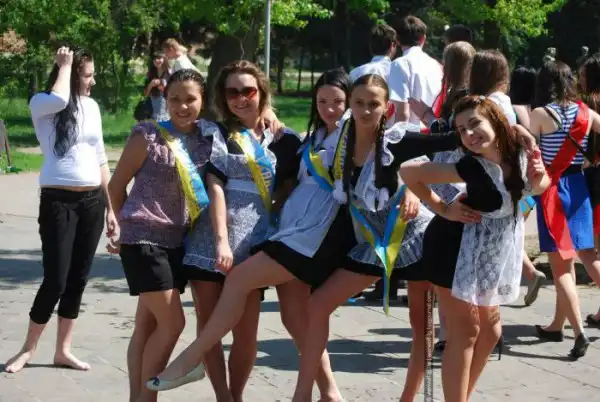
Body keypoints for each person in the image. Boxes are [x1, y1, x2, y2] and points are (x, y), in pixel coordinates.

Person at [401, 96, 550, 401]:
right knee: (466, 332)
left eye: (474, 124)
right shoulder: (470, 165)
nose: (469, 134)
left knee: (491, 332)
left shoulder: (519, 149)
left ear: (495, 120)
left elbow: (540, 185)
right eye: (461, 130)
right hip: (452, 247)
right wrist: (443, 209)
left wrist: (538, 178)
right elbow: (408, 172)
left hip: (489, 251)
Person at [181, 60, 311, 402]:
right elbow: (214, 185)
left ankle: (236, 395)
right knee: (209, 328)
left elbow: (292, 190)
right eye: (232, 92)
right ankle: (223, 397)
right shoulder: (216, 132)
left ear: (262, 93)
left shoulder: (284, 140)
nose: (240, 98)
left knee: (246, 332)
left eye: (248, 91)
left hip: (254, 244)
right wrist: (221, 240)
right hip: (210, 240)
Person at [4, 46, 116, 373]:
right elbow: (59, 99)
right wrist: (65, 65)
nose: (93, 81)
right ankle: (27, 349)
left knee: (78, 278)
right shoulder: (42, 103)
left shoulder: (92, 107)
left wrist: (112, 209)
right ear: (68, 73)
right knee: (56, 279)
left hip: (92, 201)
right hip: (58, 201)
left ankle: (63, 351)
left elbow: (100, 159)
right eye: (87, 75)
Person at [106, 69, 215, 402]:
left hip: (177, 243)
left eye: (190, 99)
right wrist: (121, 226)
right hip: (144, 240)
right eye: (175, 99)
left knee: (147, 326)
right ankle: (147, 397)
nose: (182, 106)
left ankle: (136, 398)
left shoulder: (208, 138)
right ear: (165, 99)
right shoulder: (148, 136)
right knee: (173, 324)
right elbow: (115, 185)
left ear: (203, 100)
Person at [530, 61, 600, 358]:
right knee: (580, 257)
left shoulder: (539, 114)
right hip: (579, 187)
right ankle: (556, 325)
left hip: (552, 191)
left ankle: (579, 333)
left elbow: (530, 152)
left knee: (561, 269)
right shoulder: (586, 112)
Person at [388, 15, 443, 130]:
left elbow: (402, 112)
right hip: (435, 129)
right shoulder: (437, 65)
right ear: (423, 38)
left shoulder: (400, 64)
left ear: (397, 40)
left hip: (411, 134)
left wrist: (395, 137)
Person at [143, 51, 171, 122]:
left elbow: (175, 92)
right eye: (154, 59)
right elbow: (145, 94)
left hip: (167, 109)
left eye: (159, 58)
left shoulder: (170, 73)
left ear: (164, 59)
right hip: (153, 109)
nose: (156, 60)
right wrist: (150, 85)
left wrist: (163, 87)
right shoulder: (150, 73)